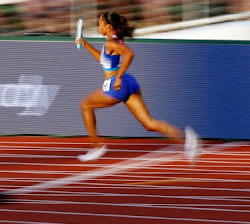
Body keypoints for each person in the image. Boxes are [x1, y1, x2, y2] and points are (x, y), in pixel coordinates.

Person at [75, 11, 200, 163]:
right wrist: (86, 44)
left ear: (108, 27)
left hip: (117, 84)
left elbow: (129, 54)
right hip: (130, 83)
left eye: (99, 24)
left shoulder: (111, 43)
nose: (98, 27)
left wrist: (118, 77)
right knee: (149, 124)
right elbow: (103, 60)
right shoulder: (114, 40)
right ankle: (188, 139)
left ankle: (97, 146)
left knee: (85, 105)